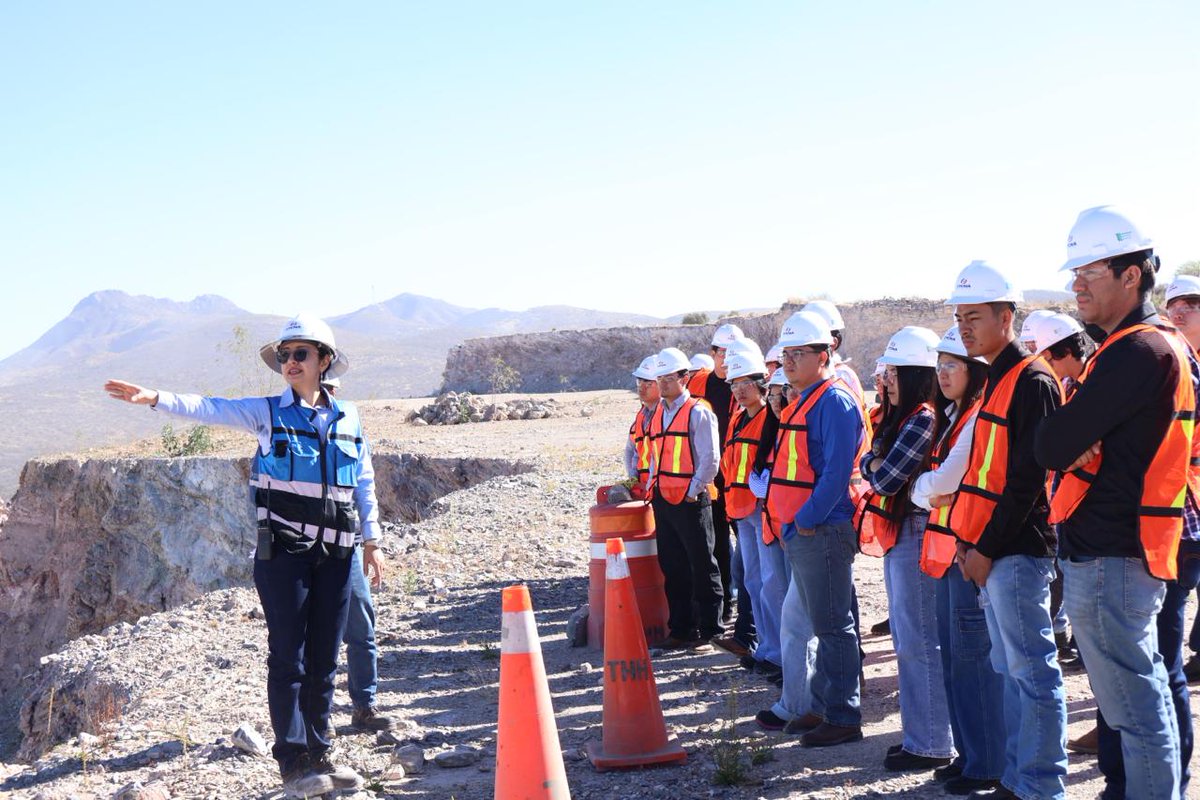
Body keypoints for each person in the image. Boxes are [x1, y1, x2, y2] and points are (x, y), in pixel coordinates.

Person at [104, 314, 380, 798]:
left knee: (324, 659)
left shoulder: (350, 417)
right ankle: (293, 761)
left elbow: (363, 481)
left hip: (337, 554)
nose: (289, 363)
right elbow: (211, 408)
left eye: (300, 354)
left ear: (324, 361)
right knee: (289, 657)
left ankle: (320, 753)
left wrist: (373, 541)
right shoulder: (266, 413)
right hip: (284, 555)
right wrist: (155, 399)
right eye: (285, 355)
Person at [1037, 207, 1194, 800]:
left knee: (1135, 708)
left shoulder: (1138, 352)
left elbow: (1051, 443)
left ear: (1132, 275)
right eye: (1074, 271)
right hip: (1119, 552)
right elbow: (1060, 442)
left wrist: (1073, 439)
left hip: (1113, 555)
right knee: (1138, 699)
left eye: (1090, 270)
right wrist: (1073, 437)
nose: (1076, 283)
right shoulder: (1138, 348)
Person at [946, 260, 1067, 800]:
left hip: (1015, 552)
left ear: (1006, 316)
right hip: (991, 550)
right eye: (959, 317)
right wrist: (970, 544)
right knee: (1011, 669)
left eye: (975, 316)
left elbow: (1025, 481)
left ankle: (1039, 787)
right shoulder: (997, 378)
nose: (965, 326)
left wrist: (985, 549)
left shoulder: (1033, 380)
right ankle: (1019, 781)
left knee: (1032, 674)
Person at [756, 311, 866, 748]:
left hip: (820, 530)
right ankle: (821, 707)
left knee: (834, 626)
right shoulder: (805, 399)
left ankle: (843, 715)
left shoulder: (834, 402)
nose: (788, 362)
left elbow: (837, 473)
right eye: (785, 354)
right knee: (820, 623)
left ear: (825, 354)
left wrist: (804, 519)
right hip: (802, 532)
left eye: (798, 353)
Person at [911, 325, 1007, 795]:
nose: (943, 374)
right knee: (954, 658)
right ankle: (970, 755)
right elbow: (936, 484)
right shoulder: (955, 417)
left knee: (973, 660)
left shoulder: (975, 419)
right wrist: (929, 488)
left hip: (966, 550)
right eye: (940, 366)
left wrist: (924, 488)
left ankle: (986, 762)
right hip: (949, 551)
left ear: (975, 371)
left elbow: (946, 478)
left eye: (953, 365)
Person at [856, 326, 954, 773]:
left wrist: (875, 463)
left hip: (916, 533)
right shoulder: (903, 417)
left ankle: (931, 742)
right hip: (905, 531)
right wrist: (875, 462)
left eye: (894, 372)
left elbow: (883, 477)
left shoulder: (922, 418)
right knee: (909, 639)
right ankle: (923, 736)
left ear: (916, 375)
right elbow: (871, 458)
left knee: (918, 641)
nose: (885, 380)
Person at [320, 377, 395, 736]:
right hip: (303, 547)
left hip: (345, 545)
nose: (329, 395)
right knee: (315, 635)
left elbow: (365, 486)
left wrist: (372, 542)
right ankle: (315, 720)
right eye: (324, 388)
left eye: (333, 389)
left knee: (362, 626)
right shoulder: (288, 427)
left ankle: (364, 706)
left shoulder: (350, 426)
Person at [647, 347, 724, 649]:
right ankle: (681, 628)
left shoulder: (698, 411)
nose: (663, 383)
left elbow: (710, 459)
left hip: (690, 501)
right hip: (664, 500)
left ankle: (710, 629)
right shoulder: (657, 414)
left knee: (702, 564)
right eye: (660, 378)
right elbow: (655, 454)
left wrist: (693, 492)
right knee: (673, 565)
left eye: (669, 377)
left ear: (684, 377)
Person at [715, 340, 782, 680]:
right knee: (754, 581)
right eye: (734, 385)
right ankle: (765, 647)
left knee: (771, 582)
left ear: (761, 384)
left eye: (745, 384)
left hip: (762, 510)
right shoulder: (739, 419)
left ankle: (779, 653)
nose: (739, 391)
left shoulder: (772, 417)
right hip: (742, 510)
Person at [1164, 273, 1200, 686]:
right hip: (1180, 510)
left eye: (1190, 303)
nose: (1180, 311)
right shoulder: (1173, 360)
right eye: (1174, 306)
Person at [624, 354, 661, 488]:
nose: (641, 387)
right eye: (639, 381)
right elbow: (632, 450)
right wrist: (633, 478)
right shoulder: (642, 415)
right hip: (645, 487)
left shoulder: (669, 414)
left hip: (662, 489)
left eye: (648, 383)